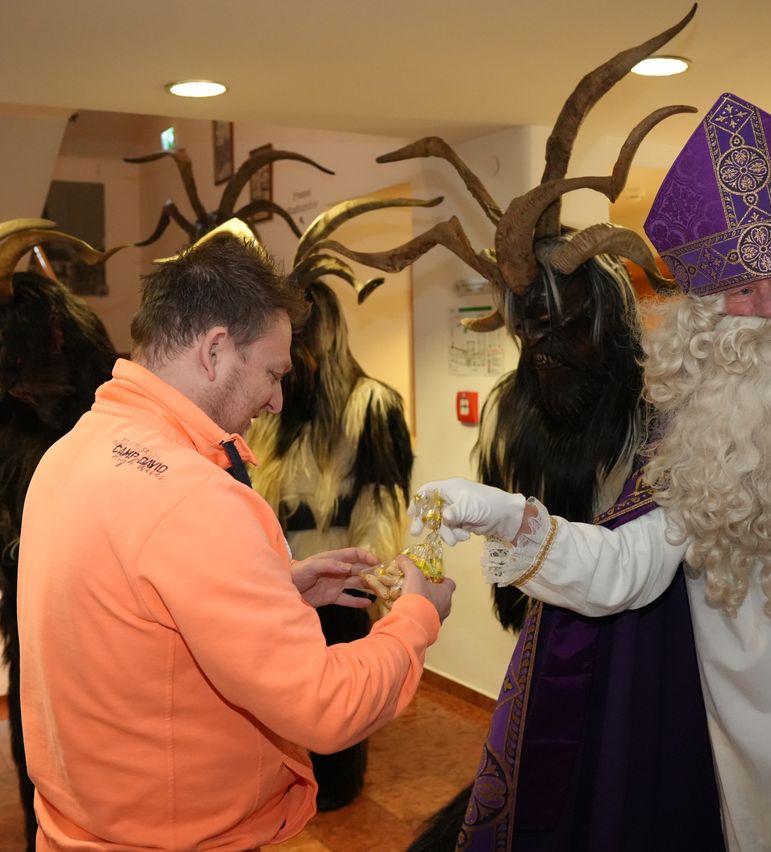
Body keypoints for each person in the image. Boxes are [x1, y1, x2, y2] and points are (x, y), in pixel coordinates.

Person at [412, 91, 771, 852]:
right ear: (709, 316)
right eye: (743, 291)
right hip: (725, 725)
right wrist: (506, 516)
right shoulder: (690, 438)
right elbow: (624, 571)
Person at [17, 228, 455, 850]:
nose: (277, 399)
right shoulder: (197, 496)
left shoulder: (71, 452)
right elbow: (326, 707)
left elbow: (136, 618)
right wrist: (416, 616)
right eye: (273, 372)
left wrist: (277, 590)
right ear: (216, 349)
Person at [249, 279, 414, 811]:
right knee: (281, 699)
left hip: (343, 580)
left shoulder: (371, 406)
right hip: (285, 581)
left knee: (340, 699)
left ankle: (338, 786)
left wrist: (374, 581)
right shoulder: (275, 410)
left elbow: (383, 503)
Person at [0, 219, 119, 852]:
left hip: (97, 621)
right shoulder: (21, 433)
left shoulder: (90, 435)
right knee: (38, 733)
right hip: (33, 615)